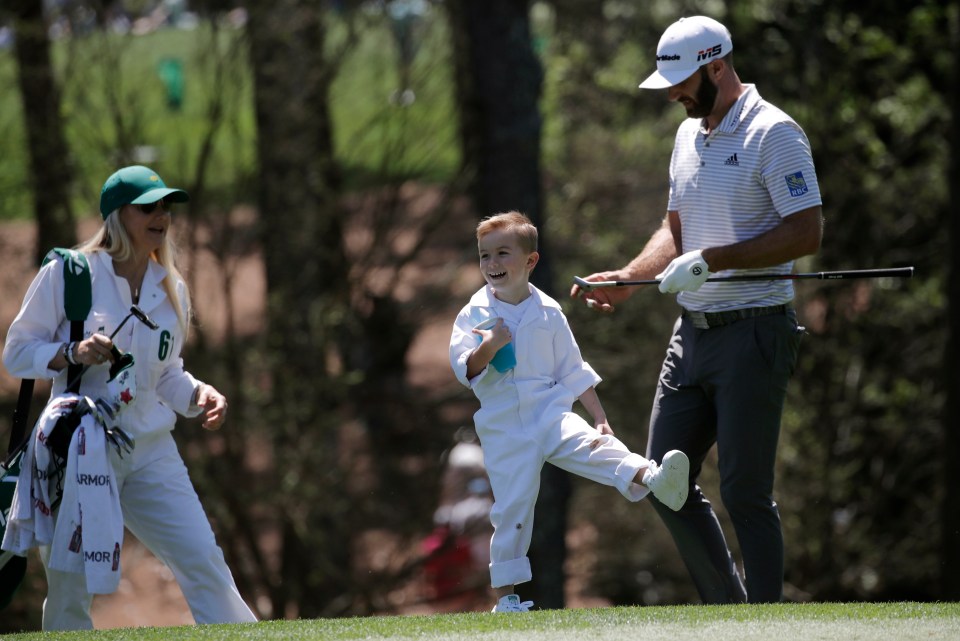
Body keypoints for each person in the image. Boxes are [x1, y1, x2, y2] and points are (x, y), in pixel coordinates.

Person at [572, 16, 823, 604]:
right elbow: (675, 227)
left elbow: (806, 231)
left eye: (683, 82)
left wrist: (716, 258)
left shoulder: (774, 132)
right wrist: (632, 279)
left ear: (717, 66)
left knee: (744, 492)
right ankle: (730, 614)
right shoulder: (688, 136)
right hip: (693, 333)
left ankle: (765, 621)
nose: (675, 95)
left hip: (756, 330)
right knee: (662, 480)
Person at [2, 165, 257, 629]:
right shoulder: (70, 273)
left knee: (203, 560)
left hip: (151, 449)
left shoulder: (170, 288)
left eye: (166, 207)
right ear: (118, 215)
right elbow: (16, 354)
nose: (161, 216)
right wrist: (71, 352)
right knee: (69, 590)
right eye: (147, 207)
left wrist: (201, 394)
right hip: (80, 450)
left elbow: (165, 375)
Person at [449, 211, 691, 613]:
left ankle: (653, 476)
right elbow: (466, 369)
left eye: (502, 254)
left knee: (594, 444)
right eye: (484, 255)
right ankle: (507, 600)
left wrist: (599, 416)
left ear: (531, 261)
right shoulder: (473, 313)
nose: (492, 264)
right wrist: (489, 347)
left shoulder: (549, 312)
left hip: (549, 409)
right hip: (504, 424)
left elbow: (574, 371)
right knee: (512, 508)